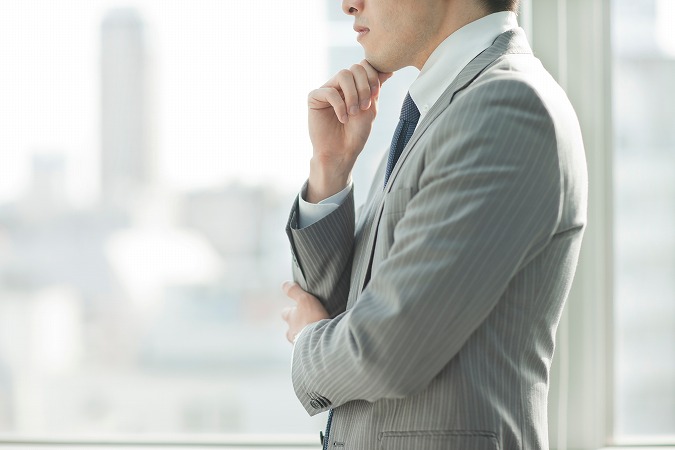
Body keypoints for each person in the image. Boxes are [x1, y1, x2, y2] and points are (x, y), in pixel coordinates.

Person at [280, 0, 588, 448]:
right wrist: (331, 166)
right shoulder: (436, 115)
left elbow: (388, 348)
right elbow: (339, 311)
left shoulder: (503, 107)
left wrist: (307, 340)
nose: (348, 5)